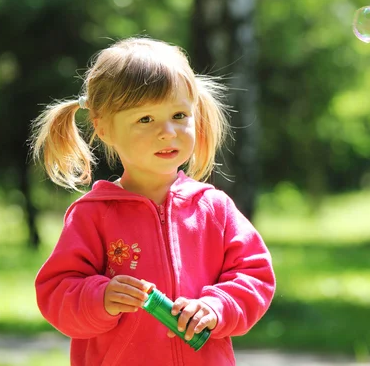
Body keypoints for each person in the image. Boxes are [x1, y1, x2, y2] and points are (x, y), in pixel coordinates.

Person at [30, 37, 276, 366]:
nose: (168, 132)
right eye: (145, 119)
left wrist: (216, 307)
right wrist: (99, 297)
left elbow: (254, 275)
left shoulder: (213, 208)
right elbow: (56, 292)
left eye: (178, 115)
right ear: (104, 128)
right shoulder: (93, 214)